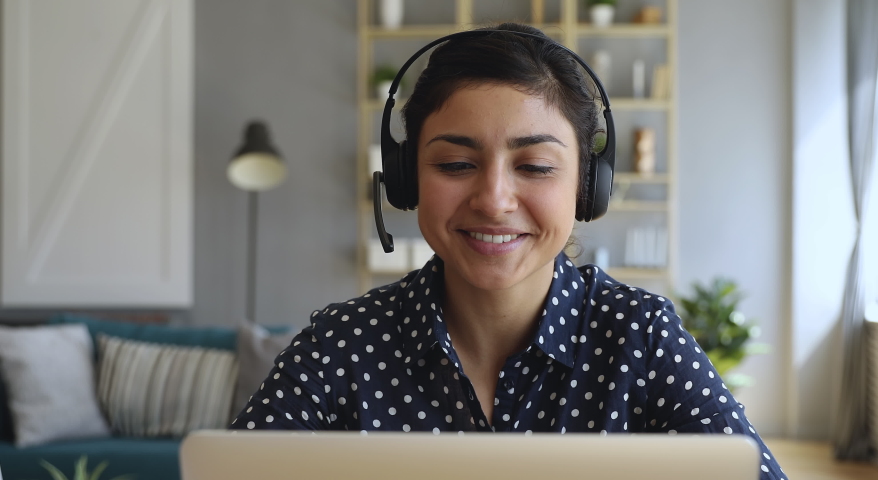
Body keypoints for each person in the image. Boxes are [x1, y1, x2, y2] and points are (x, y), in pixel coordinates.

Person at [231, 23, 787, 480]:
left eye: (536, 167)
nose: (494, 201)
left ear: (587, 188)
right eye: (454, 164)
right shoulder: (341, 345)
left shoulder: (641, 337)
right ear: (406, 181)